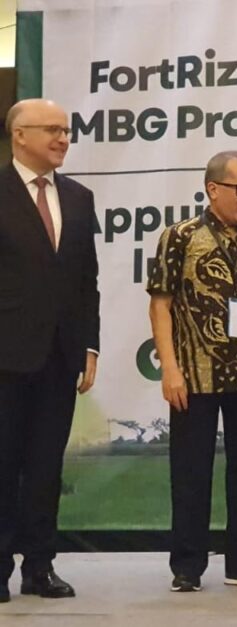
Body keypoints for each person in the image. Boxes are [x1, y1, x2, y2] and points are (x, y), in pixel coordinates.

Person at [147, 150, 237, 593]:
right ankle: (187, 567)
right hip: (195, 372)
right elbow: (160, 304)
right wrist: (170, 368)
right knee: (191, 472)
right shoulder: (181, 237)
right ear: (213, 189)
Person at [0, 99, 100, 603]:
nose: (63, 138)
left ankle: (40, 568)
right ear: (19, 135)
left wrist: (90, 345)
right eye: (52, 130)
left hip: (60, 356)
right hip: (6, 356)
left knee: (46, 467)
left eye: (67, 130)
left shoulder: (79, 197)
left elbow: (87, 280)